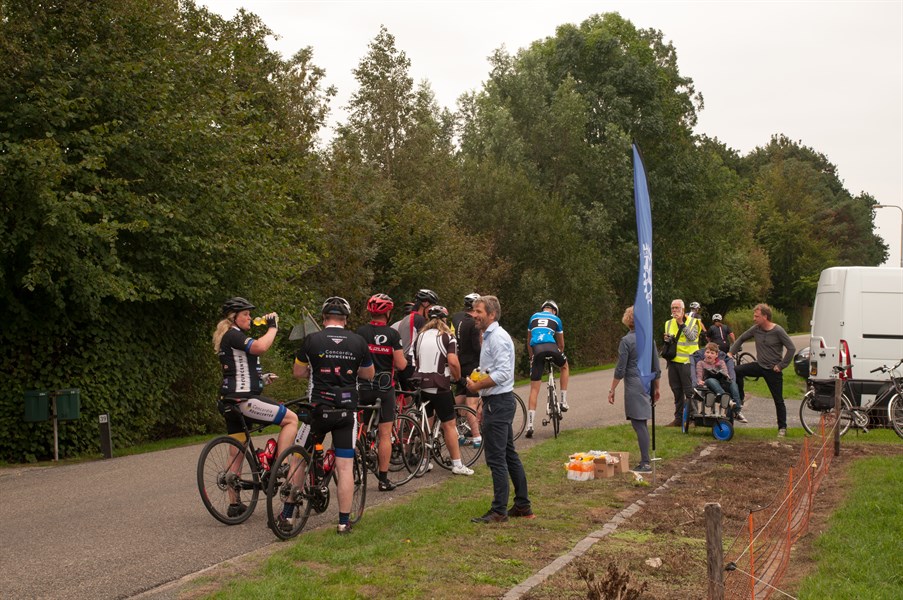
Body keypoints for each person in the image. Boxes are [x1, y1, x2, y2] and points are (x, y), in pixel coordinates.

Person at [292, 296, 375, 534]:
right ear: (345, 319)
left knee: (298, 458)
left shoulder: (312, 339)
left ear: (323, 318)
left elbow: (298, 372)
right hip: (346, 412)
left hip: (317, 409)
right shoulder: (359, 342)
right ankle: (343, 522)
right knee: (345, 467)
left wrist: (312, 369)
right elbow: (369, 374)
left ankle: (286, 514)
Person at [213, 297, 300, 519]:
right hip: (244, 401)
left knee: (237, 451)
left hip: (230, 400)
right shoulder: (234, 334)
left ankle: (234, 505)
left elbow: (238, 369)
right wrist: (273, 327)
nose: (250, 318)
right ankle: (282, 464)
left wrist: (261, 378)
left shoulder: (230, 336)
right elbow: (260, 347)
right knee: (291, 419)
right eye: (246, 314)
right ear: (234, 316)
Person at [466, 295, 533, 522]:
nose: (474, 315)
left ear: (492, 314)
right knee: (509, 455)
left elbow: (503, 373)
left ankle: (498, 511)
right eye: (474, 311)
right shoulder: (490, 336)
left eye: (478, 311)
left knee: (497, 459)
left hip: (501, 402)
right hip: (497, 401)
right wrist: (484, 398)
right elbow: (492, 369)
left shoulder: (497, 338)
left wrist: (477, 386)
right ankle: (523, 505)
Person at [356, 293, 408, 491]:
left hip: (363, 387)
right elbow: (401, 365)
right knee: (385, 434)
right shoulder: (393, 335)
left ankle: (357, 466)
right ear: (388, 312)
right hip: (385, 389)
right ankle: (383, 480)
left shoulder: (360, 332)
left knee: (360, 426)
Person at [413, 305, 473, 476]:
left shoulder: (420, 336)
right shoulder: (448, 337)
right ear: (444, 320)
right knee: (449, 425)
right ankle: (457, 464)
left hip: (421, 384)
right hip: (440, 386)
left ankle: (424, 461)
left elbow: (414, 359)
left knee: (426, 424)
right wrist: (458, 377)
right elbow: (453, 362)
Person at [608, 306, 661, 473]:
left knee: (639, 424)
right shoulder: (649, 338)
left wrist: (612, 389)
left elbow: (620, 369)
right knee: (642, 423)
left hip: (633, 383)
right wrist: (657, 387)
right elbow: (656, 366)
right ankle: (645, 459)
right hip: (647, 382)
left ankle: (645, 462)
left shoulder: (626, 341)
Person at [729, 303, 795, 436]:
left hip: (773, 370)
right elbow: (741, 338)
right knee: (736, 371)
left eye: (756, 316)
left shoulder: (778, 331)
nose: (754, 318)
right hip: (759, 366)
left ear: (765, 316)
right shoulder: (756, 329)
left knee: (778, 400)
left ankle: (782, 428)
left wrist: (781, 366)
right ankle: (740, 399)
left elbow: (791, 348)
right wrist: (731, 353)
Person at [526, 300, 570, 438]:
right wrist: (560, 354)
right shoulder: (556, 319)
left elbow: (529, 341)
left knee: (534, 388)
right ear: (555, 311)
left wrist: (531, 358)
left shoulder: (533, 317)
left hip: (537, 350)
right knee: (564, 366)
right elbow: (561, 343)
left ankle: (530, 425)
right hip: (552, 347)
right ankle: (563, 401)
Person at [391, 289, 439, 390]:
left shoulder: (407, 318)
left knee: (408, 401)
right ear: (424, 303)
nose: (431, 310)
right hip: (411, 366)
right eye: (431, 307)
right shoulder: (419, 319)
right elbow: (425, 344)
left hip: (402, 365)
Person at [663, 299, 700, 426]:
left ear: (683, 310)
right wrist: (667, 340)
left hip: (688, 361)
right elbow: (670, 341)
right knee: (676, 391)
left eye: (677, 308)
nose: (674, 310)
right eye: (672, 308)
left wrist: (681, 323)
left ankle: (693, 418)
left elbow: (692, 337)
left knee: (689, 391)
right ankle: (678, 419)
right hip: (673, 362)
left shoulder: (694, 322)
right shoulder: (668, 323)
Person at [452, 293, 483, 449]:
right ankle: (477, 436)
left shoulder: (457, 318)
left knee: (459, 399)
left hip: (459, 363)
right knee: (472, 402)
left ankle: (459, 433)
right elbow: (477, 347)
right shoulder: (473, 323)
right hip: (472, 365)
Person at [694, 342, 746, 422]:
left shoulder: (721, 362)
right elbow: (699, 376)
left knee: (733, 384)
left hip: (721, 383)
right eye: (707, 352)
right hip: (708, 383)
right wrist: (699, 381)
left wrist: (725, 374)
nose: (709, 355)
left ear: (716, 355)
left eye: (712, 353)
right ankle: (728, 400)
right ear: (704, 353)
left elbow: (725, 373)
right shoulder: (701, 363)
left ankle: (737, 410)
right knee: (711, 380)